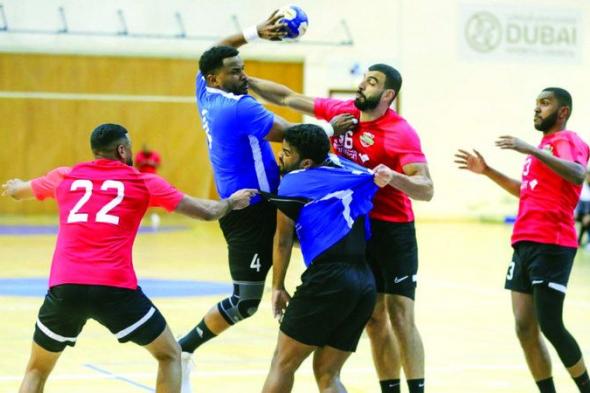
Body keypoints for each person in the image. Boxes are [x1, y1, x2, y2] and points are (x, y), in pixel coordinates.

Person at [1, 123, 255, 393]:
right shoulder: (144, 182)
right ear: (122, 150)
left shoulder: (65, 176)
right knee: (170, 354)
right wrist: (232, 202)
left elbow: (19, 191)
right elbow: (207, 211)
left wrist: (16, 186)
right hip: (116, 290)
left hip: (66, 287)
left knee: (37, 370)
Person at [247, 64, 433, 393]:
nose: (362, 85)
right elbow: (288, 97)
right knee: (375, 320)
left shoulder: (401, 132)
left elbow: (426, 189)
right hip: (356, 231)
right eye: (363, 79)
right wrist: (244, 81)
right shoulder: (343, 112)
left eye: (371, 82)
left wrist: (395, 177)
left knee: (400, 315)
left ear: (388, 94)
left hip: (392, 230)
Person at [176, 11, 304, 392]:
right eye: (234, 72)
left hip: (269, 198)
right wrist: (336, 126)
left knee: (320, 246)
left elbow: (221, 48)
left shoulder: (205, 88)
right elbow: (291, 135)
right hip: (250, 210)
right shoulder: (237, 107)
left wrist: (255, 33)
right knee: (245, 302)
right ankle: (183, 349)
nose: (242, 76)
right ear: (216, 77)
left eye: (242, 68)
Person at [455, 87, 590, 393]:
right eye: (536, 104)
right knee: (524, 327)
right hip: (524, 242)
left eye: (545, 103)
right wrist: (487, 171)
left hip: (552, 243)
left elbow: (578, 174)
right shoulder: (541, 150)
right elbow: (526, 190)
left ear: (563, 111)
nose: (537, 109)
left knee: (551, 325)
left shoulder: (567, 141)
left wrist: (531, 149)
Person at [261, 124, 385, 392]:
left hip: (329, 279)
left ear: (305, 162)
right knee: (328, 373)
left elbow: (282, 239)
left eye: (286, 152)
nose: (280, 157)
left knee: (282, 364)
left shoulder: (294, 182)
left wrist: (277, 286)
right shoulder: (350, 171)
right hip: (364, 282)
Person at [135, 144, 163, 230]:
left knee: (153, 198)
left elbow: (158, 165)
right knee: (141, 199)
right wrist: (144, 163)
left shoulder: (155, 155)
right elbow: (137, 164)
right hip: (142, 180)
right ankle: (140, 217)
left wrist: (151, 163)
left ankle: (154, 215)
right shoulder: (139, 155)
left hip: (153, 180)